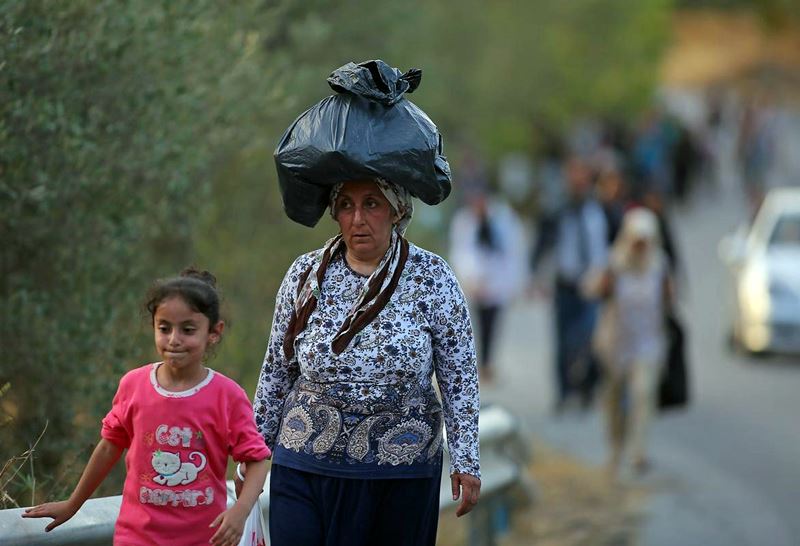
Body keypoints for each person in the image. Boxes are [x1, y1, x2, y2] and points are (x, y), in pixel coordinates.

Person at [246, 178, 481, 546]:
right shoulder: (304, 275)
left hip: (401, 474)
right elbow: (277, 369)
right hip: (305, 463)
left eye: (372, 204)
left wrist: (466, 460)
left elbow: (459, 377)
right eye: (346, 205)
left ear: (397, 210)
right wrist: (254, 450)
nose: (358, 218)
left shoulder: (432, 278)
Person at [22, 268, 271, 546]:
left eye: (187, 330)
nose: (174, 339)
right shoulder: (134, 385)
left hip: (204, 539)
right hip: (137, 538)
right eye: (164, 328)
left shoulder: (227, 395)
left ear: (213, 332)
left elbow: (257, 459)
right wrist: (73, 504)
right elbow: (108, 447)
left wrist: (240, 510)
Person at [590, 209, 673, 476]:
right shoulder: (615, 263)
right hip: (616, 343)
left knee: (642, 393)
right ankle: (615, 448)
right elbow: (593, 289)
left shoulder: (659, 265)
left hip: (647, 342)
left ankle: (638, 451)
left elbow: (669, 299)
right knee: (613, 401)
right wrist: (604, 284)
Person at [531, 156, 609, 412]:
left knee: (589, 340)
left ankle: (587, 388)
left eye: (581, 175)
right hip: (565, 285)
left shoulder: (597, 210)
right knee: (563, 342)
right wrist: (536, 275)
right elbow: (542, 243)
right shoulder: (558, 210)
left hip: (591, 284)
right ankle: (564, 393)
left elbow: (604, 247)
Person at [450, 189, 525, 381]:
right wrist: (472, 278)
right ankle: (478, 363)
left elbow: (513, 253)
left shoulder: (504, 220)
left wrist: (513, 283)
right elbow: (462, 253)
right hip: (477, 284)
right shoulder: (465, 222)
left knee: (492, 325)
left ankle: (487, 362)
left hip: (498, 283)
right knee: (476, 326)